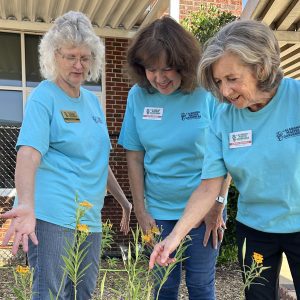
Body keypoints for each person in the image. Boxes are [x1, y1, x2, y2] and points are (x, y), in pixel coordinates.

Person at [149, 19, 300, 300]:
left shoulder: (296, 98)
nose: (225, 91)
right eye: (219, 81)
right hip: (255, 228)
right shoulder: (224, 118)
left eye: (232, 79)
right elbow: (209, 186)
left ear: (262, 67)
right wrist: (173, 239)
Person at [0, 11, 132, 300]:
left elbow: (99, 162)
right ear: (54, 56)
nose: (78, 64)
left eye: (85, 57)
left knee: (82, 293)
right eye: (70, 56)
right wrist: (27, 205)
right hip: (53, 216)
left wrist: (124, 202)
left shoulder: (92, 104)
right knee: (51, 293)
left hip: (89, 218)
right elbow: (28, 154)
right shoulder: (43, 97)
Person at [118, 16, 231, 300]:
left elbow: (226, 152)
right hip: (157, 211)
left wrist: (218, 203)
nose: (159, 77)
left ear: (183, 63)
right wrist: (140, 210)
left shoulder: (207, 92)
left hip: (205, 210)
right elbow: (134, 156)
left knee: (200, 284)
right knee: (163, 286)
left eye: (167, 68)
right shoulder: (137, 96)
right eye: (151, 69)